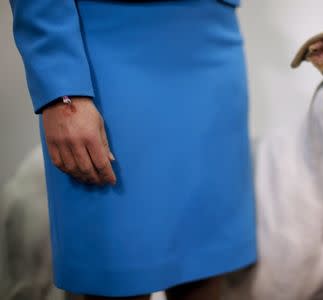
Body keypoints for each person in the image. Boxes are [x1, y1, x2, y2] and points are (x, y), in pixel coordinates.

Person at [8, 0, 256, 299]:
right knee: (114, 277)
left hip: (213, 41)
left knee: (206, 269)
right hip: (105, 44)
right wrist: (61, 90)